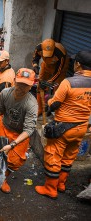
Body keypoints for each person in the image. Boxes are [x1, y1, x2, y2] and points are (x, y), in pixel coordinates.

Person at [35, 51, 91, 199]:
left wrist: (48, 102)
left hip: (63, 127)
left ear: (78, 64)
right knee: (69, 156)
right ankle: (61, 184)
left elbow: (55, 104)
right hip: (81, 127)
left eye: (74, 62)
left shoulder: (69, 82)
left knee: (53, 155)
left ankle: (50, 188)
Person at [0, 68, 38, 194]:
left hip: (20, 134)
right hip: (5, 128)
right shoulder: (6, 93)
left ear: (30, 86)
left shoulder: (31, 104)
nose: (21, 87)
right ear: (15, 81)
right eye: (20, 83)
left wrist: (12, 144)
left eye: (25, 85)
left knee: (14, 161)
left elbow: (29, 130)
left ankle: (3, 178)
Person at [32, 38, 69, 116]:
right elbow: (35, 59)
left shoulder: (60, 53)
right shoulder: (38, 48)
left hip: (60, 69)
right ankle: (40, 108)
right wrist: (35, 66)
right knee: (39, 86)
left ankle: (54, 109)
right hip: (46, 65)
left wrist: (47, 83)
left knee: (57, 90)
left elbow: (58, 72)